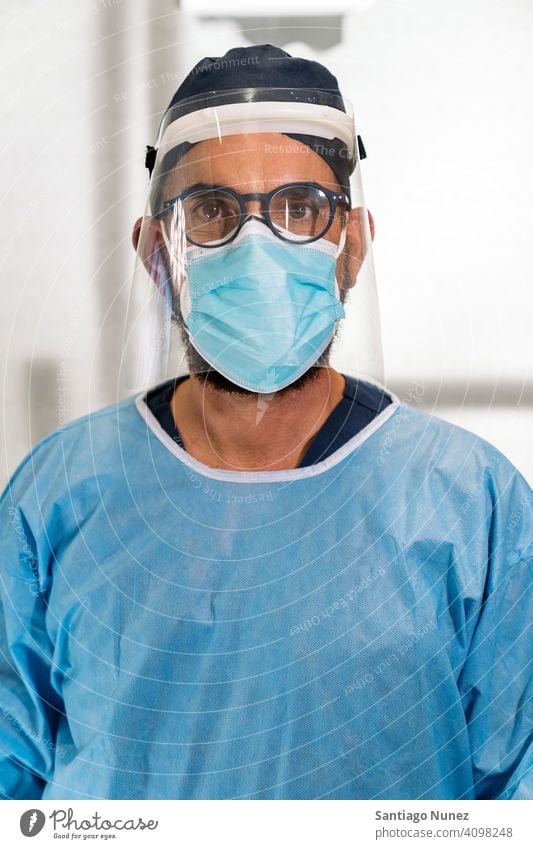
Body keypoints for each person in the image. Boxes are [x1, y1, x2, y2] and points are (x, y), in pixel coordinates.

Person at [0, 44, 531, 801]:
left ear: (352, 245)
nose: (257, 247)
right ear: (157, 253)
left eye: (299, 210)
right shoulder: (55, 499)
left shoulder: (473, 504)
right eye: (211, 211)